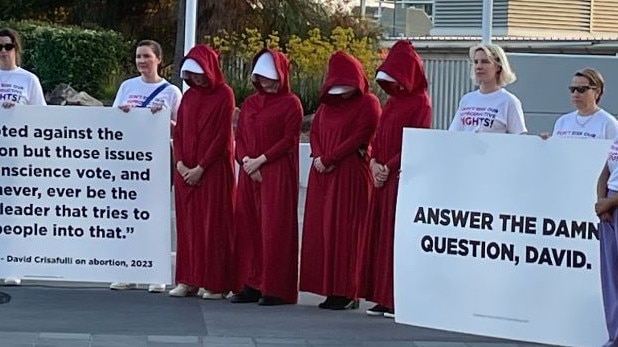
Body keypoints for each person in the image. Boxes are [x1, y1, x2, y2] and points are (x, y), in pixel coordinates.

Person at [299, 50, 380, 310]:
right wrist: (318, 156)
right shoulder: (325, 106)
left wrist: (329, 158)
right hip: (323, 173)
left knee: (347, 232)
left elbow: (360, 135)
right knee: (322, 231)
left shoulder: (368, 103)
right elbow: (316, 132)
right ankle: (329, 287)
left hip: (349, 173)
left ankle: (347, 290)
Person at [357, 40, 432, 318]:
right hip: (383, 177)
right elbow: (377, 136)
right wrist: (374, 161)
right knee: (379, 235)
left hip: (401, 178)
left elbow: (416, 139)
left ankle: (395, 296)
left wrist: (387, 166)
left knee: (395, 236)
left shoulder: (420, 102)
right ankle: (380, 295)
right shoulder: (392, 102)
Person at [230, 48, 302, 306]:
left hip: (276, 171)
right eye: (262, 78)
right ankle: (251, 282)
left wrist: (262, 160)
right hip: (250, 171)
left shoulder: (291, 103)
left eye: (270, 78)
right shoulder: (250, 103)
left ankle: (275, 288)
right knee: (248, 226)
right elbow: (241, 136)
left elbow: (289, 139)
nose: (266, 82)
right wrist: (246, 160)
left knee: (274, 228)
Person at [109, 39, 182, 293]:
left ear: (158, 60)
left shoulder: (171, 92)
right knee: (129, 217)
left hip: (159, 161)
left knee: (156, 217)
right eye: (138, 56)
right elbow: (112, 120)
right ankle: (127, 272)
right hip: (129, 160)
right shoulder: (127, 86)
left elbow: (181, 129)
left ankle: (156, 273)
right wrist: (124, 113)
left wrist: (163, 120)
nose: (141, 61)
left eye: (147, 56)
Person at [168, 44, 235, 299]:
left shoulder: (225, 94)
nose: (195, 79)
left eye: (198, 73)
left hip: (213, 171)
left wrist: (201, 167)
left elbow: (221, 136)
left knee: (213, 225)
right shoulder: (190, 97)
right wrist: (181, 163)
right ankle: (188, 278)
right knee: (188, 228)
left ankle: (215, 282)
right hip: (187, 172)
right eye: (190, 74)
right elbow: (180, 131)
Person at [0, 27, 47, 286]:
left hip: (17, 155)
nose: (3, 52)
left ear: (16, 48)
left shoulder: (28, 80)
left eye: (8, 46)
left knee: (15, 212)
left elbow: (40, 116)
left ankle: (13, 264)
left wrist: (18, 112)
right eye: (0, 47)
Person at [448, 43, 526, 134]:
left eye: (485, 62)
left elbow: (520, 139)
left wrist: (542, 141)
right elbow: (453, 134)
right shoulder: (466, 100)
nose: (479, 67)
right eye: (476, 62)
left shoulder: (509, 101)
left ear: (498, 66)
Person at [541, 68, 618, 140]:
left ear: (597, 91)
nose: (575, 94)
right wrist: (546, 143)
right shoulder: (563, 121)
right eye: (572, 89)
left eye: (581, 89)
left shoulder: (608, 123)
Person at [595, 137, 618, 347]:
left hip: (613, 202)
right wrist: (602, 202)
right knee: (611, 275)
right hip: (609, 208)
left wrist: (610, 202)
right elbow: (606, 171)